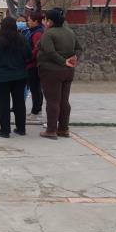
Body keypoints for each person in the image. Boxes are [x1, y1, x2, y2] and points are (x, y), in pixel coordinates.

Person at [37, 8, 82, 139]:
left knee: (52, 101)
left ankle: (51, 130)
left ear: (50, 21)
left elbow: (49, 52)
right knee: (64, 101)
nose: (43, 21)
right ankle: (63, 128)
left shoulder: (49, 34)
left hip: (51, 71)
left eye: (45, 19)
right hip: (68, 72)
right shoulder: (69, 32)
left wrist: (63, 61)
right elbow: (79, 48)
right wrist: (73, 59)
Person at [0, 17, 31, 138]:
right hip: (20, 76)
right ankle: (21, 128)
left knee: (4, 104)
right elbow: (28, 55)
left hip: (1, 77)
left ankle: (5, 130)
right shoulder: (22, 40)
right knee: (19, 102)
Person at [25, 11, 45, 121]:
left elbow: (36, 49)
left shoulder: (37, 33)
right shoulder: (34, 31)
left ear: (36, 21)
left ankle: (36, 111)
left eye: (29, 20)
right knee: (36, 88)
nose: (28, 22)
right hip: (33, 63)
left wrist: (28, 58)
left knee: (35, 89)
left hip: (33, 65)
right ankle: (37, 109)